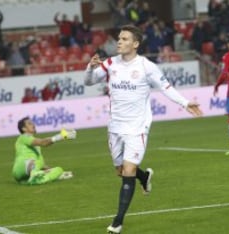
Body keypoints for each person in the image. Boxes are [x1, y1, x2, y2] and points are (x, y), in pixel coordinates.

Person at [84, 25, 203, 234]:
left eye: (124, 39)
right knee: (121, 171)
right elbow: (88, 81)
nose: (119, 42)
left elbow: (166, 87)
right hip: (115, 127)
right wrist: (89, 67)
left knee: (128, 170)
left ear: (135, 44)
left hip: (138, 127)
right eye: (119, 38)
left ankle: (117, 221)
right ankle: (144, 177)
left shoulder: (147, 66)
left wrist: (185, 103)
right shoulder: (110, 64)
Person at [12, 117, 76, 185]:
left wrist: (57, 172)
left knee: (58, 169)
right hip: (20, 167)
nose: (33, 125)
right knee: (39, 162)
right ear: (24, 129)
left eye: (32, 123)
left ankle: (37, 179)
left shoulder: (35, 145)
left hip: (26, 173)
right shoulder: (24, 137)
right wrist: (61, 136)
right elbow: (43, 143)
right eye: (29, 123)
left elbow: (41, 165)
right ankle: (35, 175)